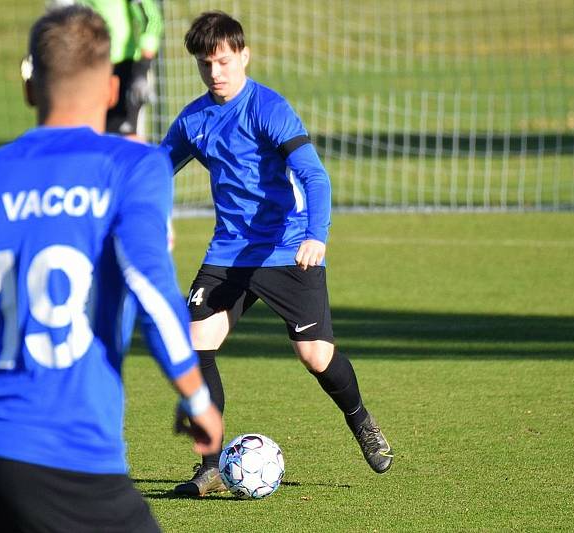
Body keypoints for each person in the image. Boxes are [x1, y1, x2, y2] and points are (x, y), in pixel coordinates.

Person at [0, 6, 222, 532]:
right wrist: (196, 395)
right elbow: (150, 287)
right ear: (110, 91)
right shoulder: (133, 167)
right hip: (70, 456)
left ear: (29, 88)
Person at [160, 11, 394, 497]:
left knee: (315, 356)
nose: (215, 73)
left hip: (289, 247)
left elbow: (314, 175)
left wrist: (317, 234)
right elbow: (154, 172)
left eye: (223, 61)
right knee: (194, 345)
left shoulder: (268, 108)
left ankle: (361, 420)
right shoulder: (194, 119)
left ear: (243, 56)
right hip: (230, 252)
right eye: (206, 65)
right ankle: (209, 465)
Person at [49, 0, 163, 139]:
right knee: (85, 137)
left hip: (123, 68)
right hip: (86, 68)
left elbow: (151, 20)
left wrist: (142, 70)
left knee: (125, 139)